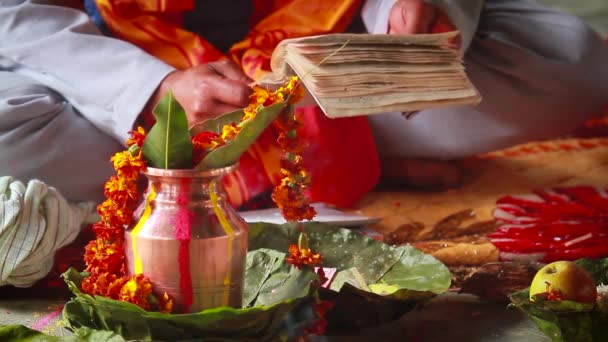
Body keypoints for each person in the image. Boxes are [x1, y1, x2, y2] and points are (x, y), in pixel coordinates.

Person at [0, 0, 606, 286]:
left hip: (322, 55)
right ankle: (294, 150)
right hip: (114, 70)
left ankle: (291, 139)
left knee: (570, 59)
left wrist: (410, 12)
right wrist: (146, 88)